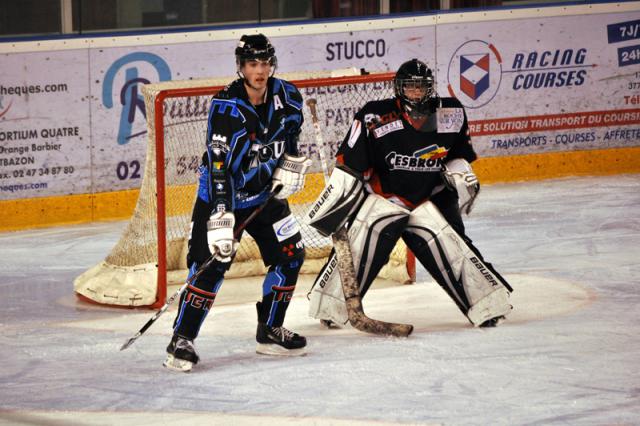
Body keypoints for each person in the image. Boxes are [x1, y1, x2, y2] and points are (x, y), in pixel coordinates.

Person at [306, 58, 513, 330]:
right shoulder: (374, 116)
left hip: (432, 196)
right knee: (359, 247)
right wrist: (334, 204)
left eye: (421, 87)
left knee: (456, 247)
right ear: (398, 89)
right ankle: (330, 307)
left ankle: (488, 303)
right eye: (410, 87)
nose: (416, 92)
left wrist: (459, 170)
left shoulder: (450, 113)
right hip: (385, 198)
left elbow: (458, 155)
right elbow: (351, 164)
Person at [164, 33, 311, 372]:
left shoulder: (288, 95)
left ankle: (270, 329)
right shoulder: (226, 108)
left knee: (291, 255)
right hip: (223, 196)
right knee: (210, 264)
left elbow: (292, 136)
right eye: (252, 64)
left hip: (265, 197)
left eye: (264, 63)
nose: (259, 71)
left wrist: (290, 164)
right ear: (241, 67)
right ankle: (182, 338)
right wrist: (220, 216)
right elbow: (219, 168)